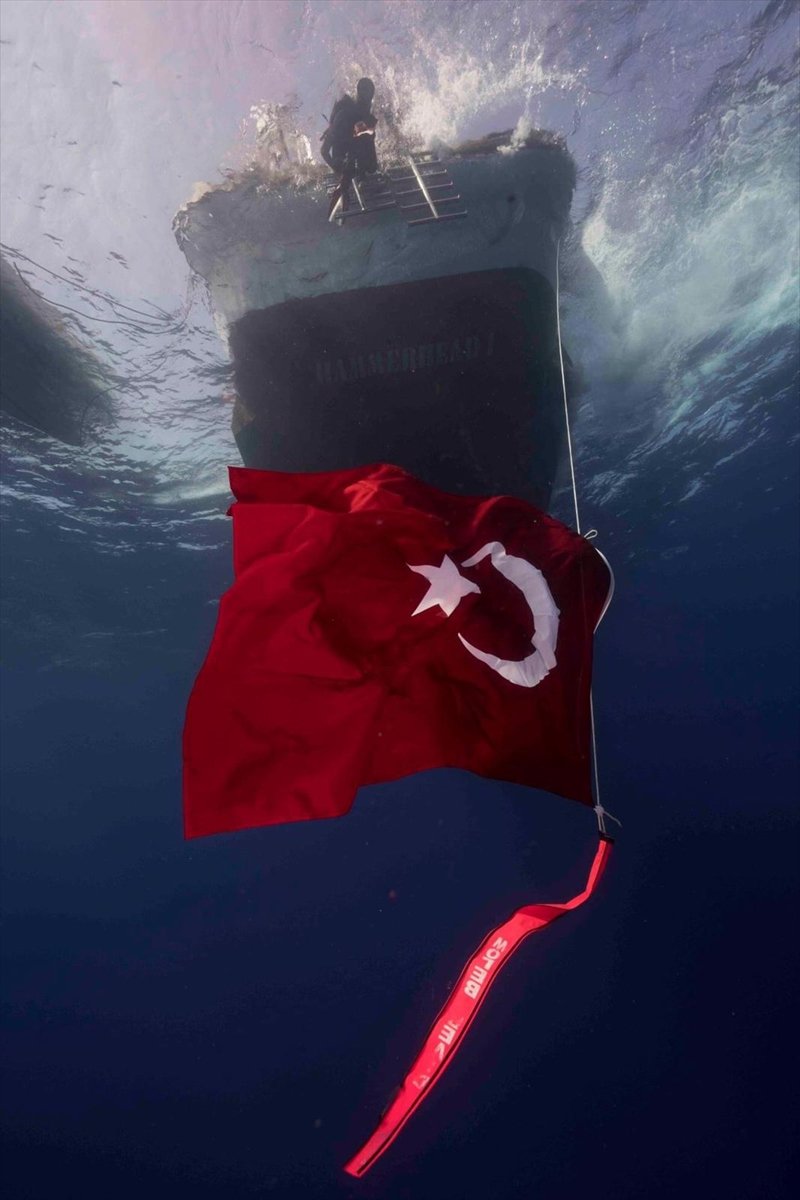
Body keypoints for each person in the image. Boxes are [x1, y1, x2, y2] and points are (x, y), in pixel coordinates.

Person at [321, 78, 379, 214]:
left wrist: (337, 169)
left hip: (341, 152)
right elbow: (362, 135)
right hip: (347, 154)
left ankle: (346, 180)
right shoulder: (359, 115)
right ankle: (347, 183)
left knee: (362, 137)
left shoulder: (344, 107)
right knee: (370, 166)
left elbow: (324, 151)